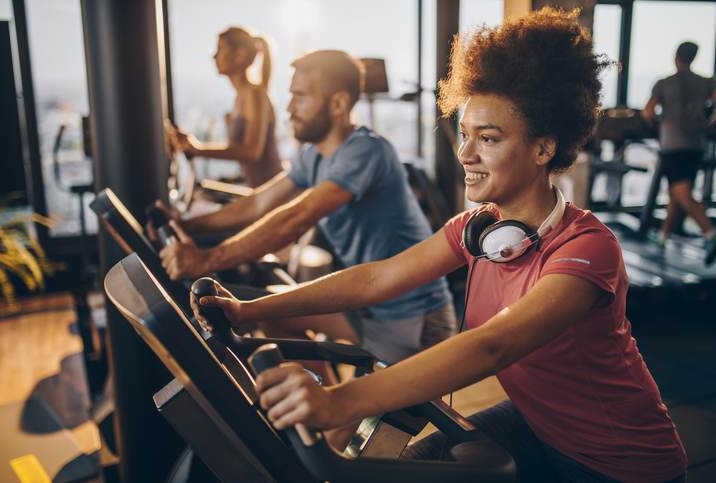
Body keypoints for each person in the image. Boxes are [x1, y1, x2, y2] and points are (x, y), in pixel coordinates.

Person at [195, 9, 688, 483]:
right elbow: (376, 278)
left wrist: (339, 402)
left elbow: (492, 345)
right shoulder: (476, 229)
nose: (466, 154)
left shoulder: (587, 249)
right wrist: (246, 309)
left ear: (543, 148)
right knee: (408, 467)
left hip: (618, 462)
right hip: (537, 425)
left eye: (488, 139)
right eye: (465, 133)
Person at [165, 49, 455, 365]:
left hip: (414, 320)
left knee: (351, 409)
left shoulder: (367, 151)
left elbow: (297, 217)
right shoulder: (313, 155)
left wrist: (208, 259)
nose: (289, 108)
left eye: (300, 97)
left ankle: (327, 406)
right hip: (368, 306)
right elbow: (258, 202)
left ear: (338, 104)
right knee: (276, 313)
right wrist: (187, 225)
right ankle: (321, 398)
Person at [171, 26, 282, 188]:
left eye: (220, 49)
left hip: (272, 192)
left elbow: (252, 152)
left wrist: (198, 149)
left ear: (239, 55)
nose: (214, 56)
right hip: (257, 189)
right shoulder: (240, 97)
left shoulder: (254, 94)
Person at [643, 41, 716, 265]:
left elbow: (648, 112)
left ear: (676, 56)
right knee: (677, 192)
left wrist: (659, 125)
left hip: (673, 143)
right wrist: (709, 123)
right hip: (696, 143)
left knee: (681, 192)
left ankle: (710, 233)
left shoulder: (664, 83)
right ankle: (663, 237)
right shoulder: (705, 82)